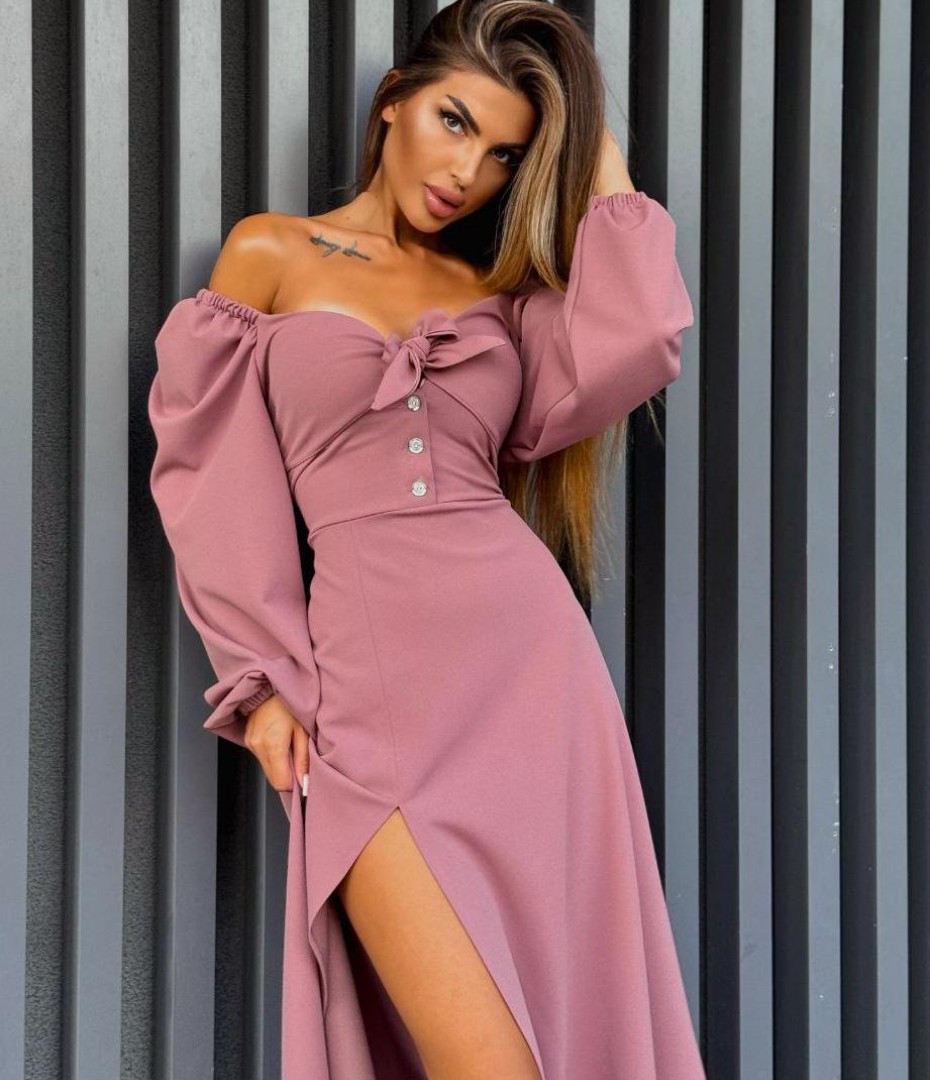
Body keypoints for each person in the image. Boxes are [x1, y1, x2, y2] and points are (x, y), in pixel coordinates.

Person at [147, 1, 705, 1076]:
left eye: (504, 156)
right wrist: (261, 686)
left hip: (531, 681)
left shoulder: (500, 300)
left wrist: (595, 154)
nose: (466, 172)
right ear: (393, 100)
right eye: (454, 121)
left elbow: (638, 336)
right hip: (371, 699)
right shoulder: (269, 253)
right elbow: (208, 482)